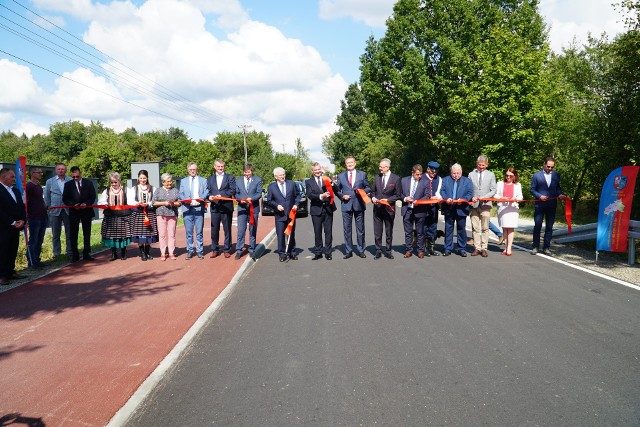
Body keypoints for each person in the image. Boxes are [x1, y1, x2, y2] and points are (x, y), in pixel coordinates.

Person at [335, 156, 371, 259]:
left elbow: (368, 187)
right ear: (345, 165)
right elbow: (337, 190)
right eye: (347, 163)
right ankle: (348, 251)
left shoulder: (362, 174)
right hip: (346, 205)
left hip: (359, 204)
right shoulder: (341, 176)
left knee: (360, 229)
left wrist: (362, 192)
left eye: (351, 162)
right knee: (347, 229)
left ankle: (361, 250)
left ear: (355, 163)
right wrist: (342, 196)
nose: (350, 164)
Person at [530, 156, 566, 255]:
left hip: (551, 205)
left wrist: (560, 194)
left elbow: (557, 188)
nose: (549, 169)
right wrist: (539, 196)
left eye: (552, 167)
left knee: (549, 227)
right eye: (548, 166)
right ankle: (535, 247)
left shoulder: (556, 175)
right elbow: (532, 190)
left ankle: (546, 247)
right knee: (538, 226)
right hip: (539, 205)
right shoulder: (536, 175)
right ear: (544, 164)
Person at [265, 167, 301, 262]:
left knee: (291, 234)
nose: (283, 177)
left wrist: (296, 204)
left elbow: (298, 195)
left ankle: (292, 252)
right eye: (280, 175)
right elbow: (269, 200)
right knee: (280, 235)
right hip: (280, 215)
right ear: (275, 176)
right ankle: (282, 254)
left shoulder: (291, 184)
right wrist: (276, 206)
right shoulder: (271, 187)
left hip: (291, 214)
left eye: (284, 174)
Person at [63, 166, 97, 262]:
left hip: (86, 211)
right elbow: (65, 199)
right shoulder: (68, 185)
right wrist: (73, 205)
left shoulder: (88, 183)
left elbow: (93, 196)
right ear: (71, 175)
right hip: (74, 212)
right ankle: (75, 254)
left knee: (87, 233)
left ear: (80, 174)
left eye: (77, 176)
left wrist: (86, 204)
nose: (75, 179)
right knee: (73, 234)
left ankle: (86, 253)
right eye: (73, 177)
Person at [439, 163, 473, 257]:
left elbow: (470, 193)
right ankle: (447, 248)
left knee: (461, 229)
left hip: (461, 208)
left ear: (461, 172)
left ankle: (462, 248)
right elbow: (442, 191)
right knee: (448, 228)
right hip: (449, 208)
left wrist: (463, 200)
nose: (456, 175)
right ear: (451, 172)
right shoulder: (445, 180)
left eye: (458, 173)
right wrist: (447, 198)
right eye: (454, 173)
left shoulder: (467, 181)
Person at [371, 158, 402, 259]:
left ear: (387, 167)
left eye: (381, 167)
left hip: (389, 209)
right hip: (377, 209)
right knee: (377, 231)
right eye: (379, 166)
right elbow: (372, 191)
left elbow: (398, 195)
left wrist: (388, 200)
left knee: (389, 231)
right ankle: (378, 250)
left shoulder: (396, 178)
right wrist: (373, 197)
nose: (379, 168)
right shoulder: (377, 177)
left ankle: (388, 250)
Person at [0, 168, 26, 285]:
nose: (14, 179)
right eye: (12, 177)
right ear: (3, 177)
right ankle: (2, 275)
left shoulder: (15, 190)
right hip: (3, 227)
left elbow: (21, 207)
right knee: (3, 250)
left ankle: (10, 271)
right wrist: (12, 222)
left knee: (12, 249)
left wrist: (22, 220)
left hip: (16, 226)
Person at [98, 172, 132, 261]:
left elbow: (131, 201)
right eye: (112, 182)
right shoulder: (107, 190)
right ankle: (113, 253)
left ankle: (123, 252)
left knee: (123, 235)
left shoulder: (126, 190)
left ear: (119, 180)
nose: (113, 184)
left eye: (115, 182)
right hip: (111, 216)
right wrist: (104, 204)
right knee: (111, 236)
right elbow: (101, 202)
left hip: (123, 216)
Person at [306, 162, 336, 260]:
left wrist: (332, 183)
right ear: (312, 171)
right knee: (317, 232)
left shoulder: (326, 179)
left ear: (321, 169)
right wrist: (321, 196)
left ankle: (328, 253)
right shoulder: (309, 182)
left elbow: (336, 189)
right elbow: (309, 195)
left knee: (328, 232)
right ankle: (318, 252)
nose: (317, 171)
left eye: (319, 169)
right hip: (316, 210)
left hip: (328, 209)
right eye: (315, 170)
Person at [468, 155, 497, 257]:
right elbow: (468, 188)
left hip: (486, 204)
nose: (481, 167)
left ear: (487, 165)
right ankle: (477, 248)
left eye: (483, 165)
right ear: (477, 164)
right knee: (475, 227)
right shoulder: (471, 174)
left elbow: (493, 189)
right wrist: (472, 197)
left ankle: (484, 248)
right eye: (479, 165)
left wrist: (485, 197)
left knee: (485, 227)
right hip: (474, 204)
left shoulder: (491, 175)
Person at [179, 162, 209, 260]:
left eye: (194, 169)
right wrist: (186, 200)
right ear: (188, 170)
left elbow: (206, 191)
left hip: (198, 208)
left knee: (199, 231)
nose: (192, 171)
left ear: (197, 169)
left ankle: (200, 251)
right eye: (191, 169)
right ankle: (190, 250)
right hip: (187, 208)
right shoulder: (183, 181)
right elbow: (181, 193)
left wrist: (202, 197)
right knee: (189, 232)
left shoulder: (203, 180)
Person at [207, 159, 236, 258]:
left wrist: (221, 195)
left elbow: (232, 190)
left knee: (227, 229)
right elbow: (208, 191)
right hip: (215, 207)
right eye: (218, 166)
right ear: (214, 167)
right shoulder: (210, 178)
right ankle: (215, 249)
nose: (220, 168)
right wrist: (209, 197)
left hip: (226, 207)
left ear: (224, 167)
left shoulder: (230, 177)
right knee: (214, 230)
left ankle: (227, 249)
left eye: (222, 166)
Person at [401, 164, 430, 258]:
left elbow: (427, 195)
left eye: (421, 174)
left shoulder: (425, 182)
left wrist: (419, 201)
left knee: (420, 232)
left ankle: (421, 250)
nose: (419, 176)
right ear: (412, 173)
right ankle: (408, 250)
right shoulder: (404, 180)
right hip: (407, 209)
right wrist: (405, 198)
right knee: (408, 232)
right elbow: (399, 193)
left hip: (419, 210)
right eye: (417, 174)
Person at [235, 163, 262, 260]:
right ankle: (239, 250)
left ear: (252, 171)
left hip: (253, 209)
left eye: (249, 172)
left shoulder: (258, 180)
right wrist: (239, 199)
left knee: (252, 230)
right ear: (243, 172)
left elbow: (259, 193)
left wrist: (252, 199)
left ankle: (252, 249)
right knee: (241, 230)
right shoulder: (238, 180)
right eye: (245, 172)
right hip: (242, 209)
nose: (247, 174)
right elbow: (236, 193)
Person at [44, 162, 71, 259]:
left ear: (66, 170)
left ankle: (70, 251)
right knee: (55, 233)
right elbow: (47, 196)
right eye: (59, 169)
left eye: (62, 169)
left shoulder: (70, 180)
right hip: (55, 211)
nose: (61, 170)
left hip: (68, 210)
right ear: (56, 170)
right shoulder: (49, 181)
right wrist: (48, 206)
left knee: (69, 232)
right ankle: (57, 253)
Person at [130, 170, 159, 261]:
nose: (143, 180)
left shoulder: (153, 188)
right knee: (140, 234)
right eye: (141, 178)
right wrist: (137, 203)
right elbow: (130, 201)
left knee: (148, 234)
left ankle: (147, 252)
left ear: (147, 178)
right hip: (138, 214)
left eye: (144, 178)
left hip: (149, 213)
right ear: (138, 178)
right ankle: (142, 253)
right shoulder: (134, 189)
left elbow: (155, 200)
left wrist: (149, 203)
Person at [495, 167, 523, 256]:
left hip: (513, 208)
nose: (508, 177)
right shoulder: (499, 184)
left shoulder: (518, 185)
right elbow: (495, 195)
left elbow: (520, 197)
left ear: (514, 176)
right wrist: (502, 198)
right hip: (502, 208)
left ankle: (509, 248)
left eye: (510, 176)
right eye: (507, 175)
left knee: (511, 228)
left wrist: (515, 199)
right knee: (504, 228)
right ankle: (506, 246)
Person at [153, 173, 181, 261]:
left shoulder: (175, 190)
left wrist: (174, 203)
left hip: (172, 214)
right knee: (162, 235)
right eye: (167, 182)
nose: (169, 183)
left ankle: (171, 252)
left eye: (170, 181)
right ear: (163, 182)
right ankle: (163, 253)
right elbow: (154, 202)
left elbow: (179, 202)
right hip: (161, 214)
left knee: (172, 234)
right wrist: (163, 203)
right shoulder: (158, 190)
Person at [26, 167, 47, 268]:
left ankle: (37, 259)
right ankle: (31, 261)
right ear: (32, 173)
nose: (40, 174)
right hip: (34, 217)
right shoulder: (29, 186)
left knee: (39, 239)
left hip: (42, 216)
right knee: (33, 239)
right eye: (39, 173)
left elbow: (40, 201)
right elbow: (26, 201)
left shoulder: (38, 187)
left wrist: (45, 206)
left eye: (41, 173)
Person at [423, 161, 442, 256]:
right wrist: (429, 198)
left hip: (434, 207)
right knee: (424, 227)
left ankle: (431, 248)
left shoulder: (439, 179)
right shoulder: (422, 178)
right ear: (428, 170)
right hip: (423, 207)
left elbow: (438, 192)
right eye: (432, 171)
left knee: (433, 226)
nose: (434, 174)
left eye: (436, 172)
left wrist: (439, 198)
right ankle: (423, 248)